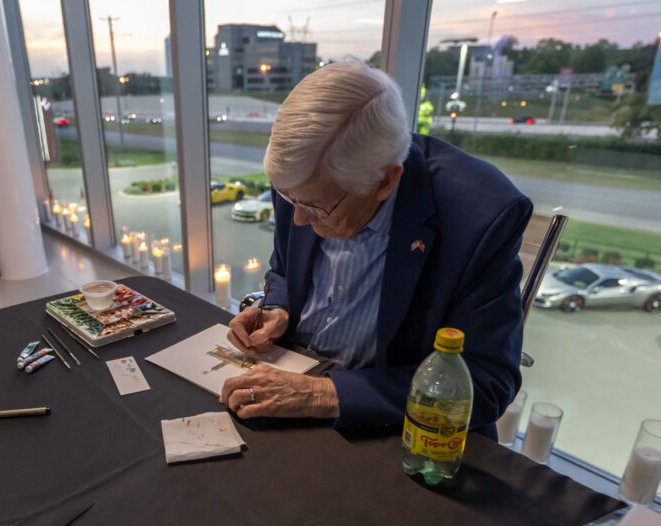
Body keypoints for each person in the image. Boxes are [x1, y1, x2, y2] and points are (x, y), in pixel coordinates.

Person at [220, 59, 533, 439]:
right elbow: (284, 269)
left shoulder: (481, 215)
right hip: (292, 374)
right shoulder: (305, 179)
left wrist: (324, 393)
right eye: (289, 200)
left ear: (386, 181)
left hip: (391, 424)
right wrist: (278, 307)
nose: (298, 220)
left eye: (317, 207)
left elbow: (485, 383)